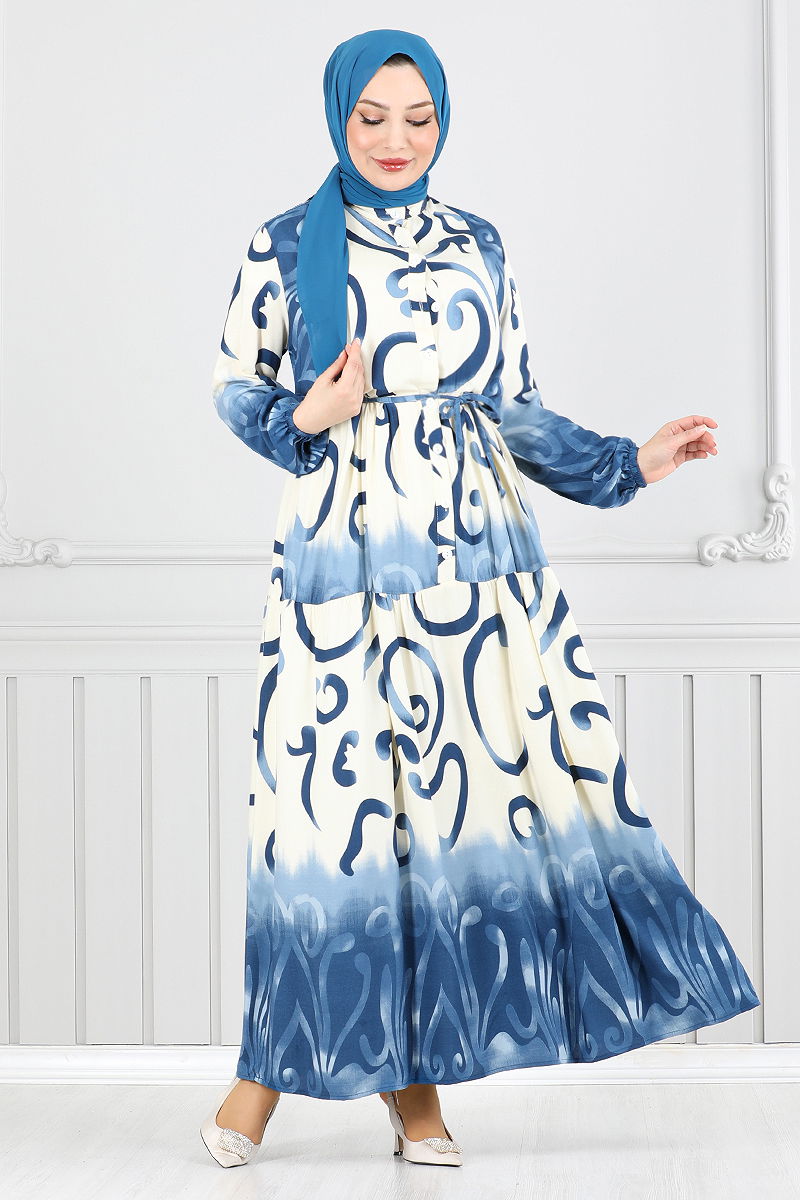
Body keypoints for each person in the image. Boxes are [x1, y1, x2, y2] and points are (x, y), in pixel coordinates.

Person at [200, 28, 760, 1170]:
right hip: (344, 559)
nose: (395, 139)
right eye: (372, 118)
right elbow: (235, 389)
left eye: (418, 118)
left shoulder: (477, 244)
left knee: (448, 819)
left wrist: (630, 464)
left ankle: (418, 1089)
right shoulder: (283, 243)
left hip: (474, 560)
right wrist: (306, 415)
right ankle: (266, 1075)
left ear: (442, 122)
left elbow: (511, 405)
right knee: (336, 819)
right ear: (338, 118)